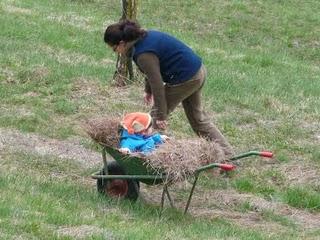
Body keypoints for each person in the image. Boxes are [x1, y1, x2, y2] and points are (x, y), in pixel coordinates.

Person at [104, 20, 234, 156]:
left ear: (122, 43)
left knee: (151, 121)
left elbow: (158, 84)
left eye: (114, 49)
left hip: (186, 78)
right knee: (198, 120)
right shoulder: (144, 37)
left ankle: (149, 159)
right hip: (197, 71)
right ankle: (229, 156)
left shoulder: (143, 54)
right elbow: (152, 71)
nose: (116, 52)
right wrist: (148, 90)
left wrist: (161, 114)